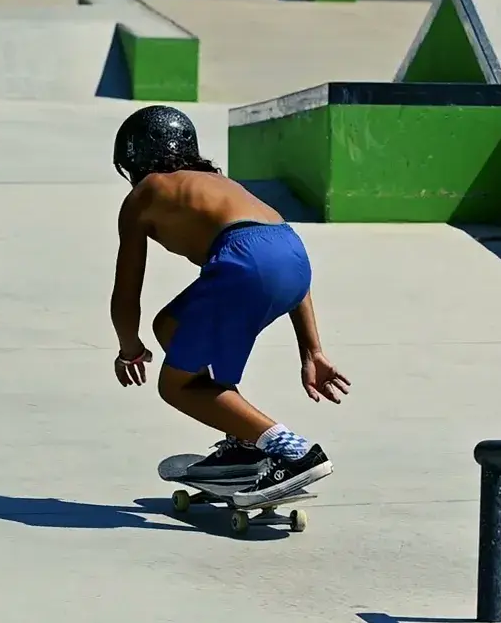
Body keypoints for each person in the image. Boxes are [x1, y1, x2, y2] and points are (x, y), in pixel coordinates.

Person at [108, 104, 350, 508]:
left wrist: (128, 347)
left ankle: (293, 452)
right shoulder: (219, 184)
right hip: (293, 255)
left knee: (175, 386)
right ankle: (244, 439)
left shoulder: (144, 194)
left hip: (242, 262)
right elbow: (278, 256)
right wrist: (312, 350)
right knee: (170, 324)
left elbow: (126, 290)